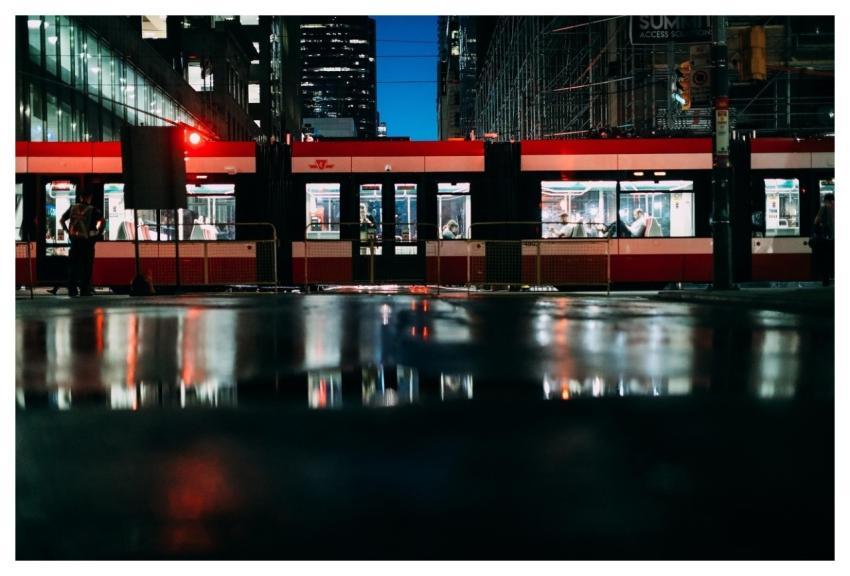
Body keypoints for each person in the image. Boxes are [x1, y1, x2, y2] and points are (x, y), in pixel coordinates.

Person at [59, 190, 103, 297]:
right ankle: (84, 290)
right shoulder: (93, 210)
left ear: (80, 197)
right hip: (87, 243)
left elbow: (61, 220)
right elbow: (103, 221)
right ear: (90, 198)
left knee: (73, 266)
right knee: (86, 266)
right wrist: (98, 233)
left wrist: (67, 231)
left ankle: (72, 290)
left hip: (74, 242)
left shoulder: (72, 208)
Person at [811, 193, 834, 286]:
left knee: (825, 260)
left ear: (826, 200)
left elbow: (816, 221)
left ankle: (826, 280)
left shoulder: (824, 208)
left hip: (828, 240)